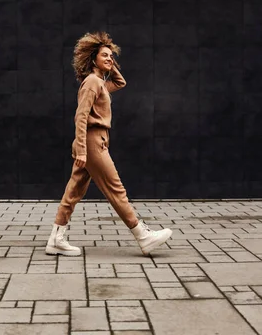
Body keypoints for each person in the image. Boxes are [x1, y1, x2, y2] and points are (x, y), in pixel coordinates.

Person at [45, 31, 172, 257]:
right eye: (104, 55)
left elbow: (120, 82)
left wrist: (108, 64)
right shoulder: (92, 82)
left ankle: (56, 239)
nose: (110, 58)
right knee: (116, 189)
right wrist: (83, 150)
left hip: (95, 141)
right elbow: (81, 117)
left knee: (73, 191)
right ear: (92, 58)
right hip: (92, 143)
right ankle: (143, 236)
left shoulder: (100, 83)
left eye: (112, 56)